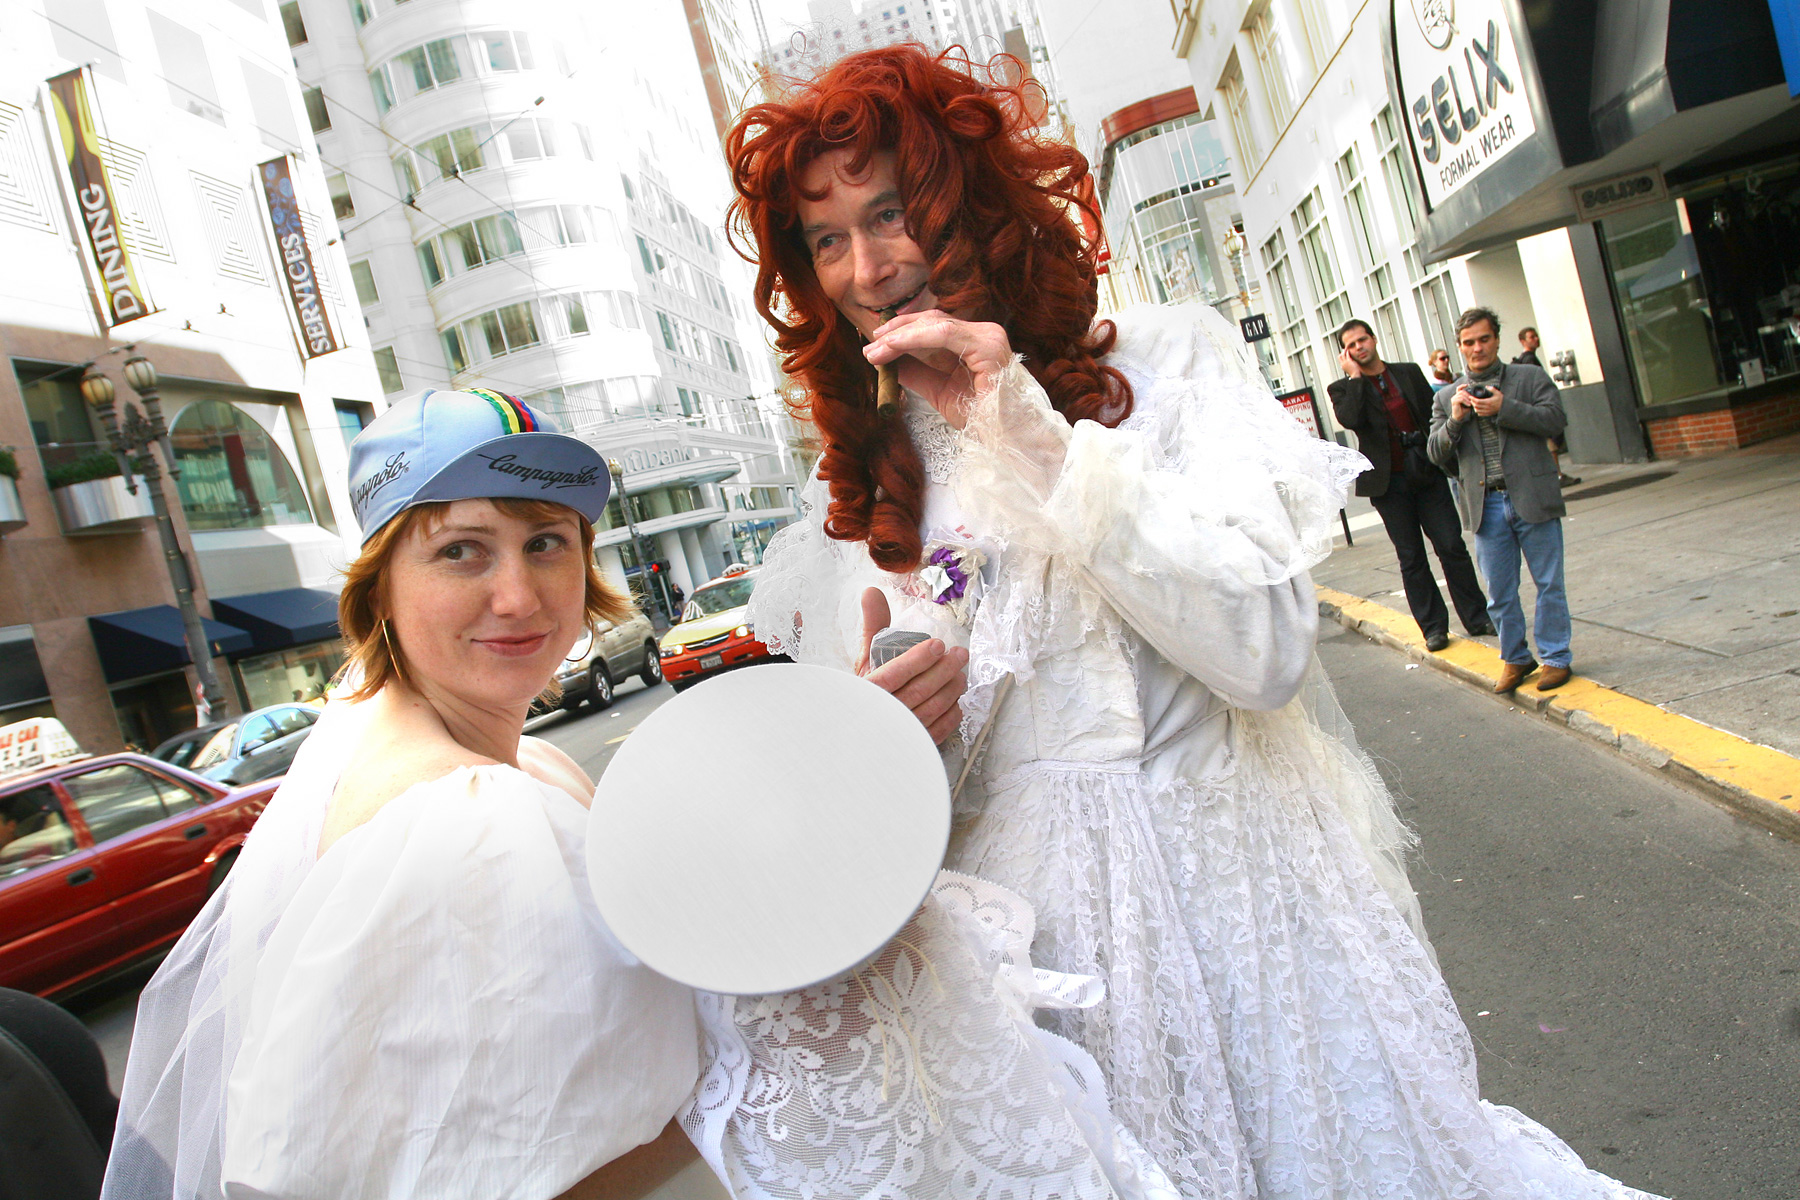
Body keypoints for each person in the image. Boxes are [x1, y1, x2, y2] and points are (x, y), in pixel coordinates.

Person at [733, 45, 1658, 1200]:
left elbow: (1264, 656)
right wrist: (897, 740)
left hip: (1261, 926)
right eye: (827, 241)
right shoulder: (870, 492)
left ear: (968, 204)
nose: (869, 268)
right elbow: (889, 840)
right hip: (1062, 986)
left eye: (889, 213)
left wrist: (1026, 430)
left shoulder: (1163, 365)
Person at [102, 388, 1150, 1200]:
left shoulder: (470, 757)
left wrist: (843, 753)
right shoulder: (464, 822)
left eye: (546, 543)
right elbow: (562, 1164)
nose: (518, 595)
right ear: (379, 583)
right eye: (461, 551)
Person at [1428, 307, 1576, 694]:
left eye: (1484, 339)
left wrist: (1504, 408)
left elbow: (1555, 420)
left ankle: (1555, 657)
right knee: (1499, 593)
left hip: (1531, 494)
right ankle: (1515, 657)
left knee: (1549, 583)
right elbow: (1435, 453)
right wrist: (1455, 420)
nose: (1477, 348)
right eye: (1468, 342)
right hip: (1486, 504)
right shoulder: (1446, 397)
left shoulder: (1528, 377)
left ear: (1496, 340)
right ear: (1459, 347)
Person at [1328, 318, 1491, 651]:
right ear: (1345, 353)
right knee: (1411, 557)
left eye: (1362, 340)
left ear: (1374, 339)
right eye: (1351, 345)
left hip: (1426, 472)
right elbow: (1351, 419)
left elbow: (1432, 415)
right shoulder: (1343, 389)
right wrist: (1356, 378)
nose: (1359, 347)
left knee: (1451, 545)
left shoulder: (1407, 372)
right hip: (1388, 485)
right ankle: (1433, 628)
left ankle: (1477, 617)